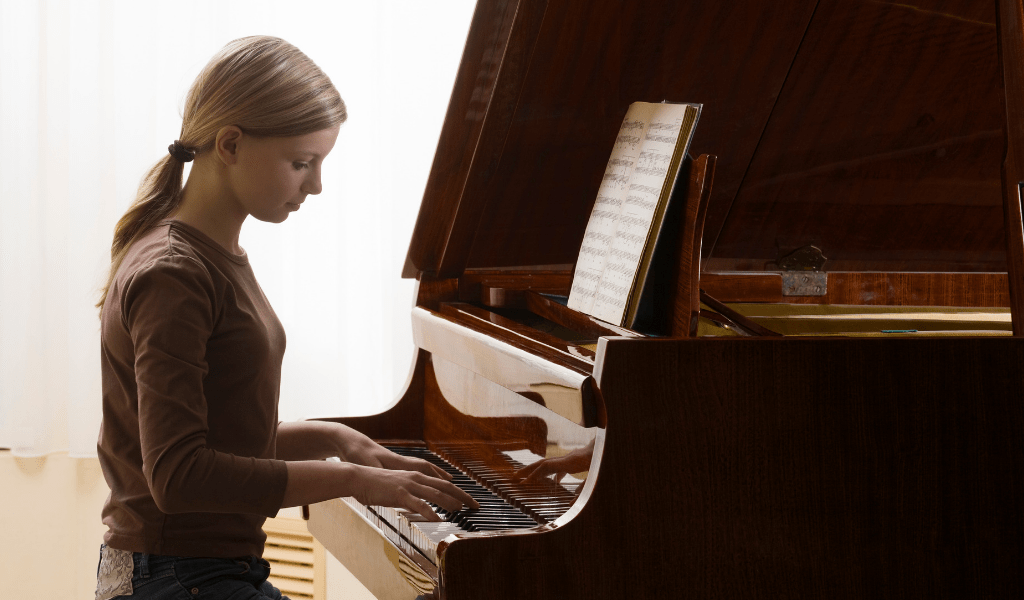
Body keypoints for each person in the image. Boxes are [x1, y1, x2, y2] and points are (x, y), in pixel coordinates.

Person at [94, 36, 477, 600]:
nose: (316, 185)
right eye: (302, 163)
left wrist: (340, 440)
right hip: (175, 577)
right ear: (229, 144)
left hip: (204, 571)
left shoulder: (207, 257)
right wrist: (350, 480)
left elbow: (223, 439)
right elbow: (178, 476)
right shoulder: (174, 274)